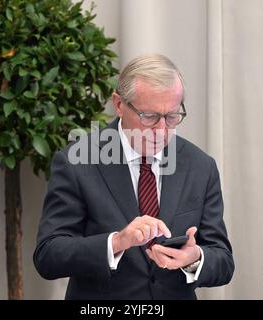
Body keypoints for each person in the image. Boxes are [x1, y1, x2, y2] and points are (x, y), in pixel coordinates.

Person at [33, 53, 234, 299]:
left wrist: (194, 259)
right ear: (119, 104)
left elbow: (223, 261)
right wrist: (116, 242)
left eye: (172, 117)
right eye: (149, 117)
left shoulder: (201, 166)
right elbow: (48, 256)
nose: (161, 131)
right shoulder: (77, 161)